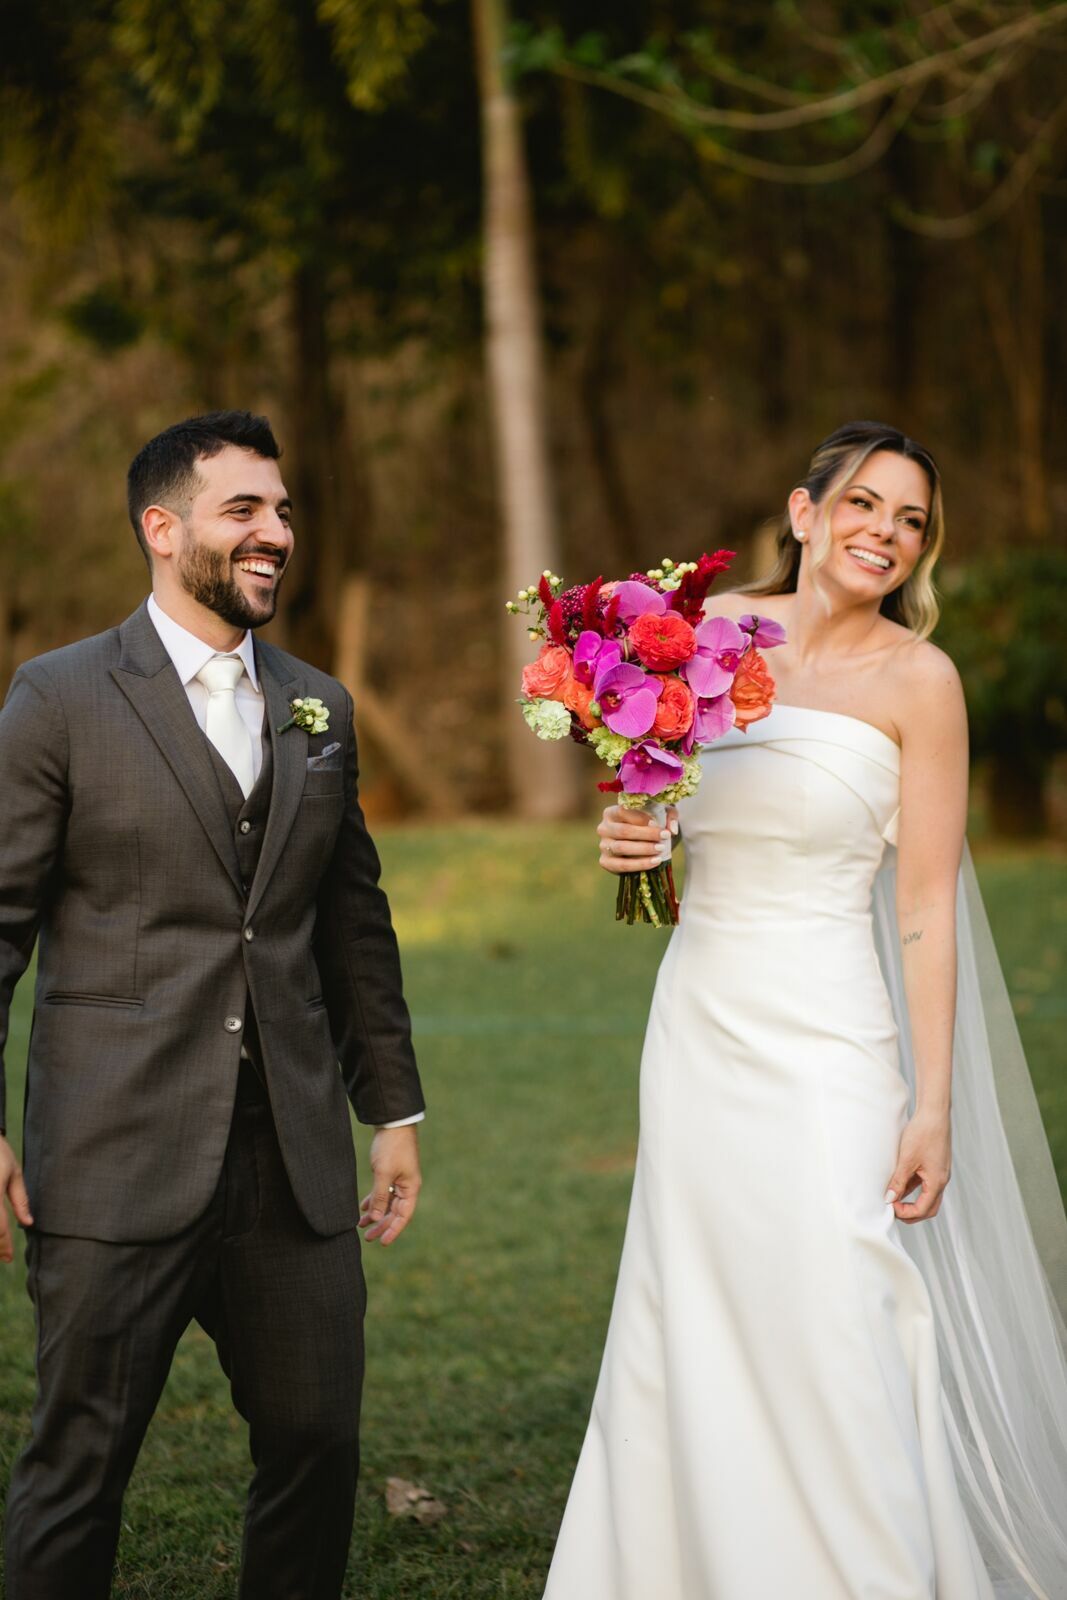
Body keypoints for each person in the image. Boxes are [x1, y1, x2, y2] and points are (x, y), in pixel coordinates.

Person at [544, 421, 1067, 1599]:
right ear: (801, 510)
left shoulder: (919, 682)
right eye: (863, 504)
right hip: (700, 1025)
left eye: (910, 519)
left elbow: (924, 901)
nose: (882, 531)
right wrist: (633, 844)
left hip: (833, 1035)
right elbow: (662, 824)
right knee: (701, 1300)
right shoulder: (703, 639)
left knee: (840, 1300)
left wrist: (929, 1104)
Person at [0, 410, 426, 1600]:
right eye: (244, 510)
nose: (276, 533)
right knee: (78, 1465)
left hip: (289, 1165)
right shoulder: (58, 697)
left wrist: (391, 1109)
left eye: (283, 511)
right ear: (161, 527)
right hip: (111, 1153)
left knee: (317, 1446)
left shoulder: (318, 708)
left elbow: (353, 929)